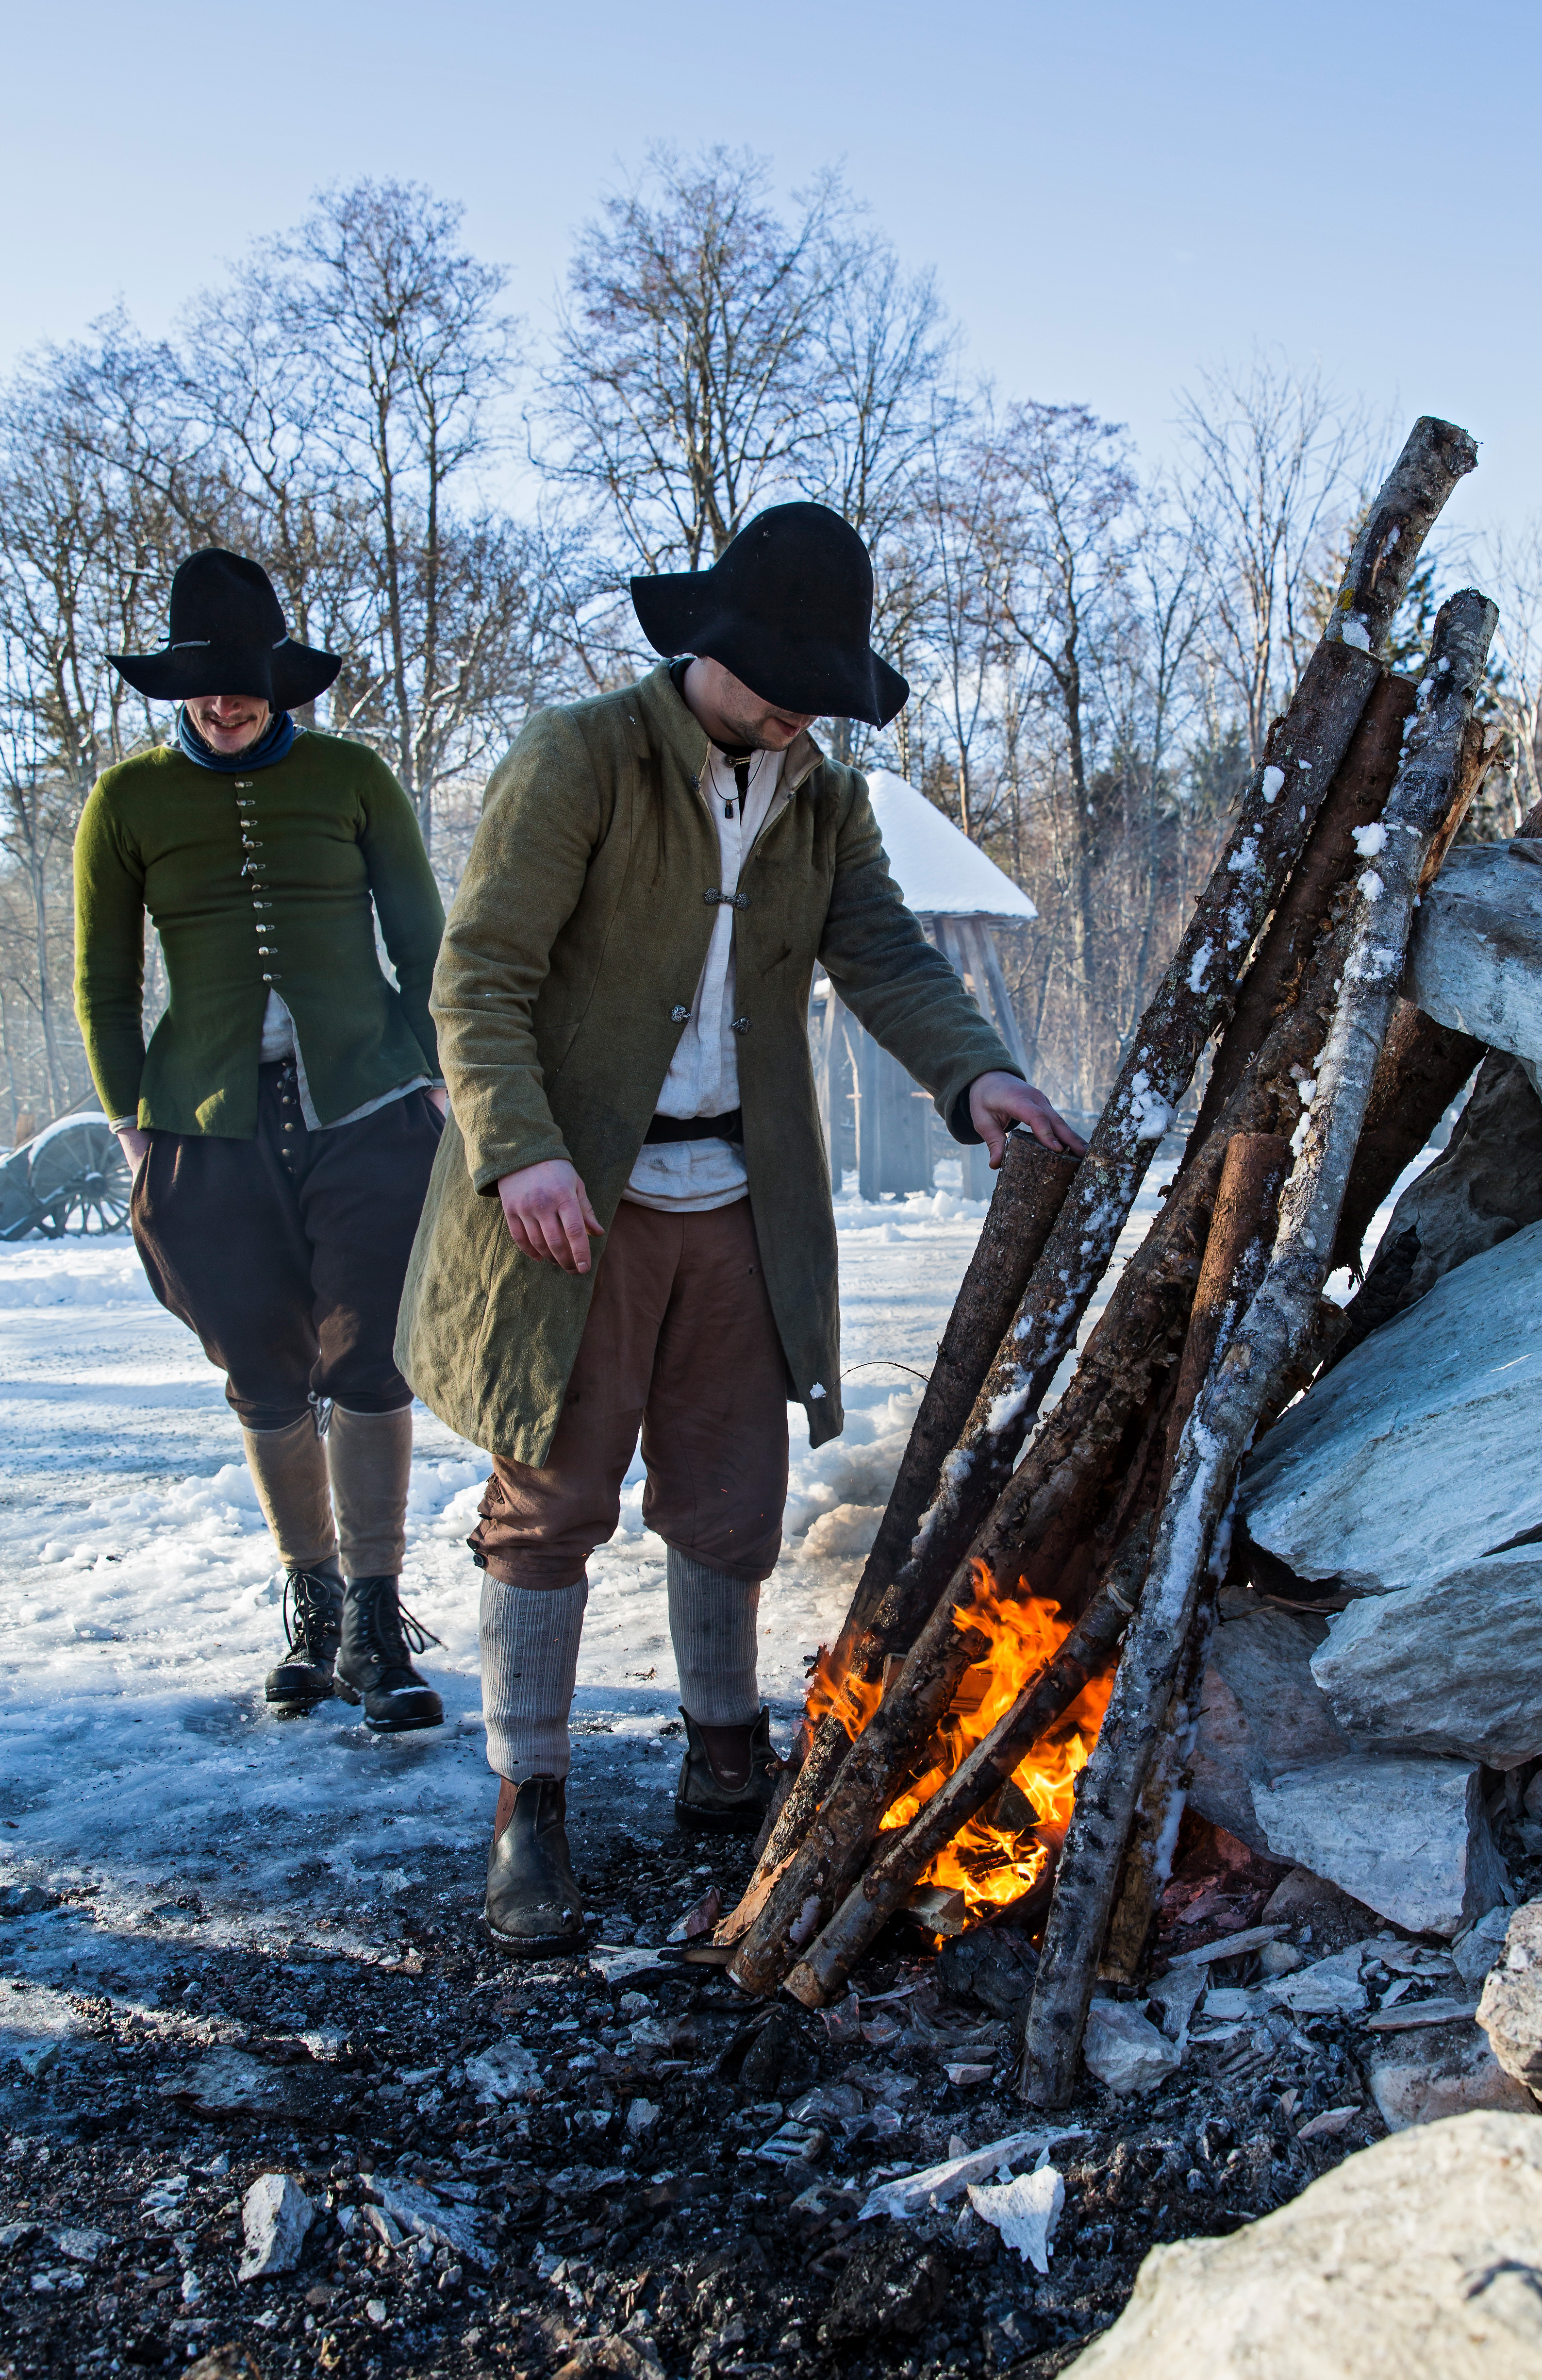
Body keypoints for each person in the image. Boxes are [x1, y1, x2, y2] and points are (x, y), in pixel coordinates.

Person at [398, 502, 1084, 1957]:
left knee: (730, 1496)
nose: (793, 716)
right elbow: (479, 977)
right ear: (708, 644)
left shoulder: (819, 797)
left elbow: (885, 951)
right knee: (554, 1498)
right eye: (779, 683)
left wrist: (977, 1075)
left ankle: (725, 1758)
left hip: (739, 1200)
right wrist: (518, 1152)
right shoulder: (577, 758)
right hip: (571, 1200)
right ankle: (532, 1797)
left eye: (815, 694)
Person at [74, 547, 449, 1729]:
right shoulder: (126, 800)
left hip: (369, 1106)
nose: (227, 703)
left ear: (280, 681)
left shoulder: (352, 776)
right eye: (206, 684)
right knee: (260, 1367)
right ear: (179, 685)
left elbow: (421, 932)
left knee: (374, 1352)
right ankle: (313, 1602)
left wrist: (437, 1073)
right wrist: (134, 1122)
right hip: (204, 1124)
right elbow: (100, 977)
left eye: (246, 682)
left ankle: (377, 1622)